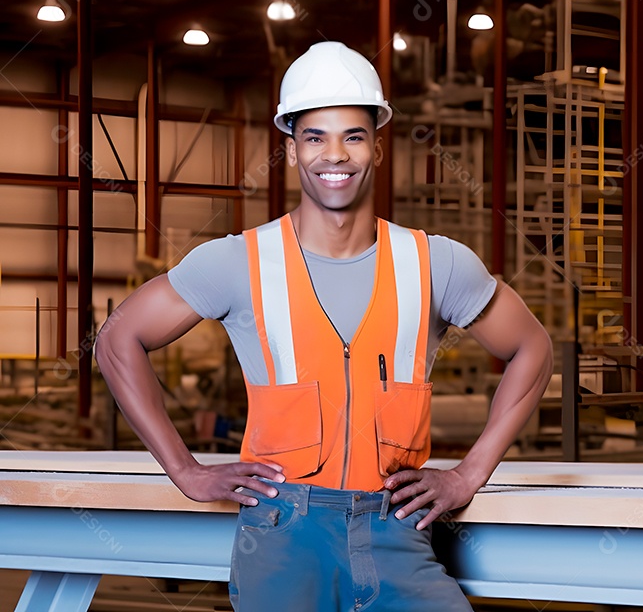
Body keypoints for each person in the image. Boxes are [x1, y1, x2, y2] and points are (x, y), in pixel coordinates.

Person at [95, 41, 554, 611]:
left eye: (353, 136)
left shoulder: (435, 263)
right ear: (290, 151)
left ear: (377, 149)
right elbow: (118, 338)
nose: (334, 155)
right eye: (315, 137)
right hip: (284, 536)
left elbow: (533, 347)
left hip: (398, 533)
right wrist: (185, 471)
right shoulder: (239, 261)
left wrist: (468, 475)